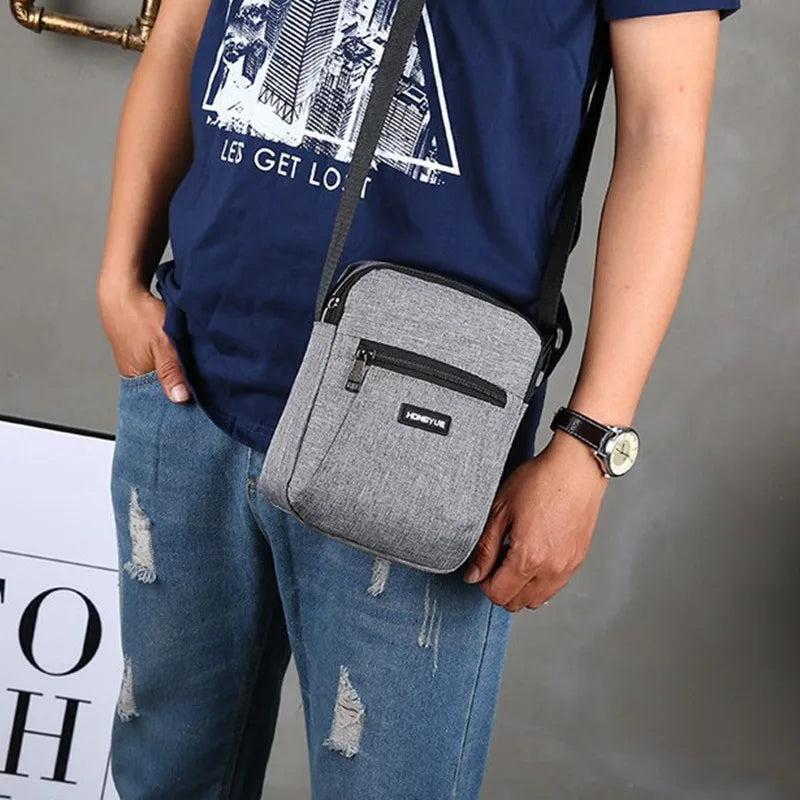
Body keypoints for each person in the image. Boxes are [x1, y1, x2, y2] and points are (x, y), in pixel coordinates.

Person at [97, 1, 739, 797]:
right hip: (191, 369)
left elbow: (662, 133)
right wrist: (119, 275)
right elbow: (187, 28)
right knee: (161, 777)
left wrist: (591, 441)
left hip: (425, 418)